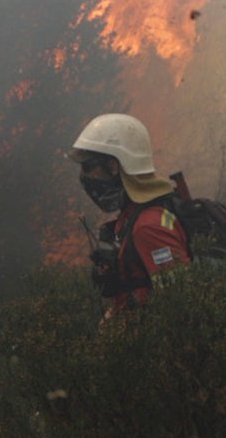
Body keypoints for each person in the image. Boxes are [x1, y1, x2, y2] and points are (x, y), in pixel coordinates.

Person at [68, 113, 190, 315]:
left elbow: (180, 305)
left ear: (114, 166)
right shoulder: (132, 217)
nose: (85, 176)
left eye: (88, 166)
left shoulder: (148, 227)